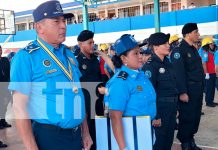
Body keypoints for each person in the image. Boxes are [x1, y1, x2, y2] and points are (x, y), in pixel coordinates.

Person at [9, 1, 92, 150]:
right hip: (50, 138)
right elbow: (19, 108)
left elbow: (77, 93)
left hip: (75, 135)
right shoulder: (26, 57)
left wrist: (85, 132)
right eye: (56, 21)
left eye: (64, 21)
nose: (63, 26)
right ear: (39, 27)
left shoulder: (68, 54)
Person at [105, 34, 156, 150]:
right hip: (132, 137)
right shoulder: (120, 82)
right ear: (124, 59)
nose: (140, 56)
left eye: (140, 52)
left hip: (146, 133)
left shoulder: (140, 76)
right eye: (135, 53)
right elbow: (114, 116)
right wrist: (123, 147)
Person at [75, 30, 114, 150]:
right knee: (89, 141)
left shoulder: (95, 60)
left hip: (98, 106)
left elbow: (111, 72)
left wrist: (103, 55)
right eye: (90, 42)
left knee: (100, 140)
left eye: (93, 42)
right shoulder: (77, 62)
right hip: (86, 109)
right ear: (81, 44)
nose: (93, 45)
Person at [171, 23, 204, 150]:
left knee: (195, 117)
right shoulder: (179, 50)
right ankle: (185, 143)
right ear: (188, 33)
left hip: (197, 89)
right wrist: (182, 92)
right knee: (187, 116)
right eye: (196, 32)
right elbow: (179, 74)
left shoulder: (193, 49)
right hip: (188, 90)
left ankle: (191, 140)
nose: (198, 34)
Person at [142, 32, 178, 150]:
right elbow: (149, 92)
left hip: (171, 108)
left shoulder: (168, 62)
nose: (168, 45)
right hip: (160, 110)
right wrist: (155, 115)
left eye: (168, 43)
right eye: (165, 43)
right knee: (159, 142)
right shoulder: (150, 66)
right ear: (156, 47)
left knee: (168, 140)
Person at [201, 37, 218, 107]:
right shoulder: (205, 52)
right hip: (209, 73)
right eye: (211, 44)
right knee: (209, 88)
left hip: (213, 72)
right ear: (207, 45)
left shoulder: (211, 52)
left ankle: (211, 100)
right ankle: (208, 102)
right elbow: (204, 63)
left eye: (213, 44)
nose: (212, 45)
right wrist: (206, 73)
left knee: (212, 88)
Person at [0, 45, 11, 129]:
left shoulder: (5, 60)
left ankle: (3, 121)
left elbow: (9, 72)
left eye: (0, 50)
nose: (0, 52)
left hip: (5, 86)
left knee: (5, 104)